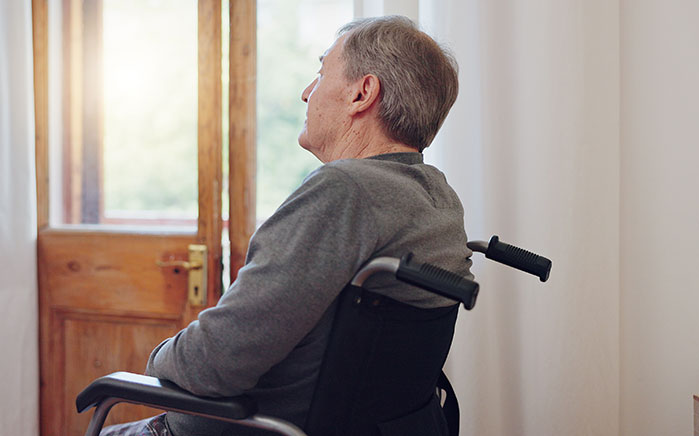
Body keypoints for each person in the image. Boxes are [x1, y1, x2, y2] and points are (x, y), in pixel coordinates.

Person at [101, 15, 472, 436]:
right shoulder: (438, 200)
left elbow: (216, 362)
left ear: (362, 93)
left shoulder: (345, 192)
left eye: (320, 73)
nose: (305, 93)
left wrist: (160, 357)